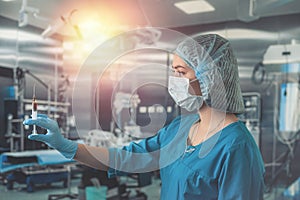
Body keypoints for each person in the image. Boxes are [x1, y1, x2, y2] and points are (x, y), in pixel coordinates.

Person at [24, 34, 265, 199]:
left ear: (210, 77)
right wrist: (67, 146)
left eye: (181, 72)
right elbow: (125, 158)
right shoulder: (181, 128)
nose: (174, 81)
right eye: (173, 72)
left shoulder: (237, 148)